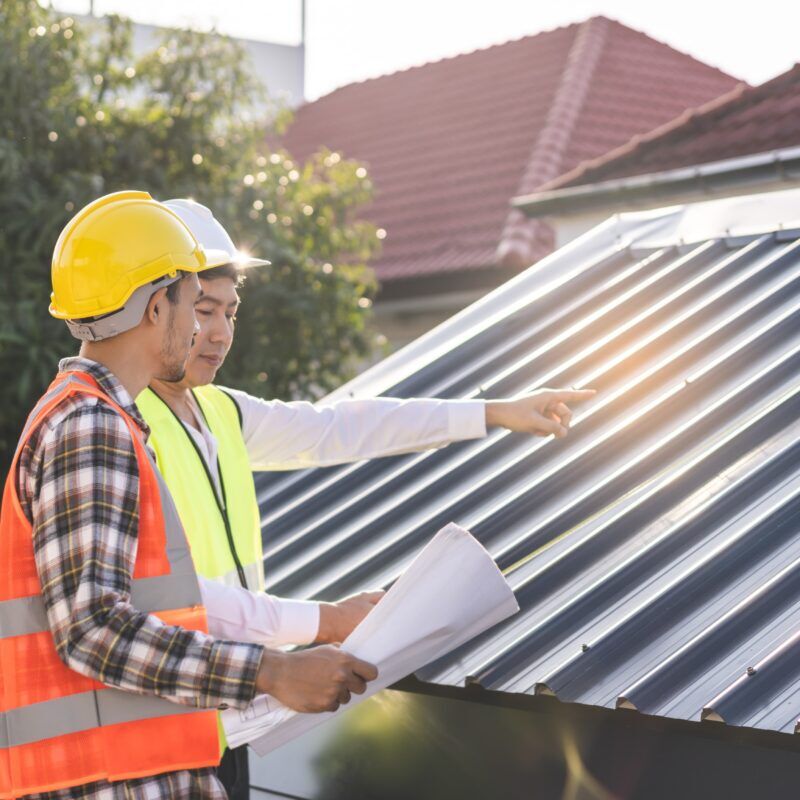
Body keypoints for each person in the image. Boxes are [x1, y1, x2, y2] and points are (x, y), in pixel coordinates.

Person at [137, 199, 596, 798]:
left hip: (225, 721)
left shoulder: (219, 411)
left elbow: (343, 426)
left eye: (230, 311)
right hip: (162, 729)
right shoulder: (126, 426)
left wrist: (491, 412)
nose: (219, 332)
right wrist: (324, 621)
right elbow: (173, 594)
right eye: (203, 310)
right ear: (158, 308)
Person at [0, 191, 378, 800]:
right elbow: (93, 628)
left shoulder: (102, 421)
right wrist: (272, 670)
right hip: (108, 782)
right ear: (157, 308)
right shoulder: (91, 428)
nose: (203, 328)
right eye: (192, 306)